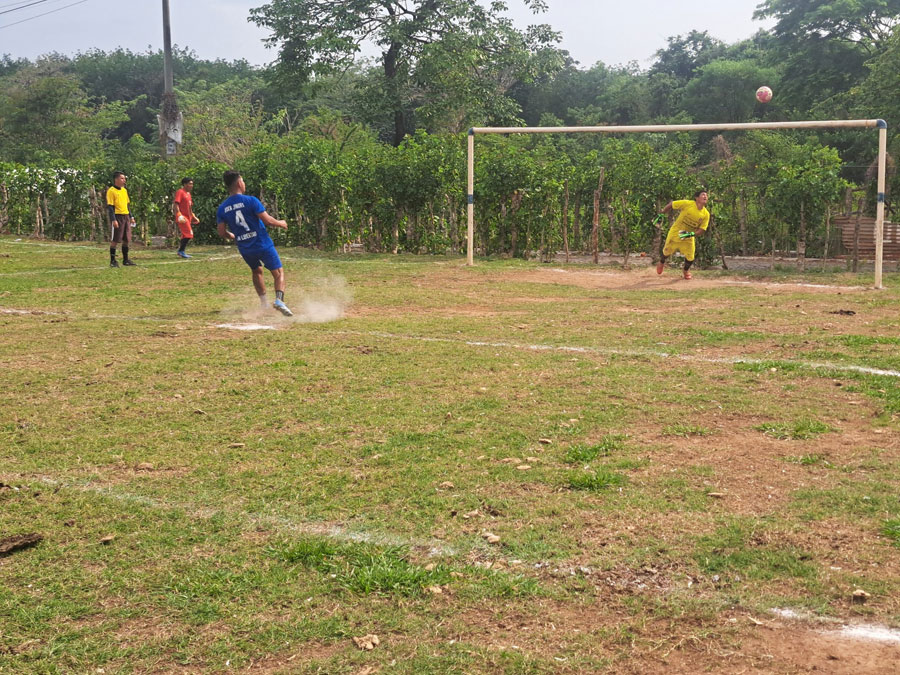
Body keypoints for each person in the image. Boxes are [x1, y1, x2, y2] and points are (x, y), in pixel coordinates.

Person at [216, 170, 293, 316]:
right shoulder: (251, 200)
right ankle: (279, 300)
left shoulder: (222, 207)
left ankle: (264, 304)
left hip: (245, 247)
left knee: (256, 271)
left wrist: (233, 236)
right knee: (278, 272)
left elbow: (221, 232)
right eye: (243, 181)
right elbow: (267, 221)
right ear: (239, 183)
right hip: (262, 243)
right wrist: (281, 223)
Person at [656, 189, 710, 280]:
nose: (705, 196)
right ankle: (661, 262)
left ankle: (685, 271)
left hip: (688, 235)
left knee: (690, 257)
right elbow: (672, 204)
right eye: (703, 195)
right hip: (676, 231)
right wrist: (662, 214)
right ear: (696, 198)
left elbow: (702, 230)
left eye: (706, 195)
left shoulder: (706, 214)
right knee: (667, 251)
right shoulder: (688, 204)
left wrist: (690, 234)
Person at [106, 171, 136, 267]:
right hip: (117, 216)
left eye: (124, 178)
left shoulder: (124, 190)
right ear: (116, 179)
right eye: (122, 178)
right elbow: (110, 207)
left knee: (126, 239)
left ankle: (125, 260)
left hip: (126, 216)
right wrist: (113, 219)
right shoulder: (111, 191)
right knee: (115, 239)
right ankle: (113, 261)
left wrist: (131, 216)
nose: (124, 180)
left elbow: (127, 205)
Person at [173, 177, 199, 259]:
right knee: (189, 234)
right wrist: (179, 214)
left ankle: (181, 251)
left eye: (192, 184)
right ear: (184, 184)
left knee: (185, 235)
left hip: (188, 218)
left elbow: (189, 207)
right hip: (182, 217)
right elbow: (176, 204)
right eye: (190, 184)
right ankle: (181, 251)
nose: (191, 185)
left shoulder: (188, 194)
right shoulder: (180, 192)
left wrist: (193, 216)